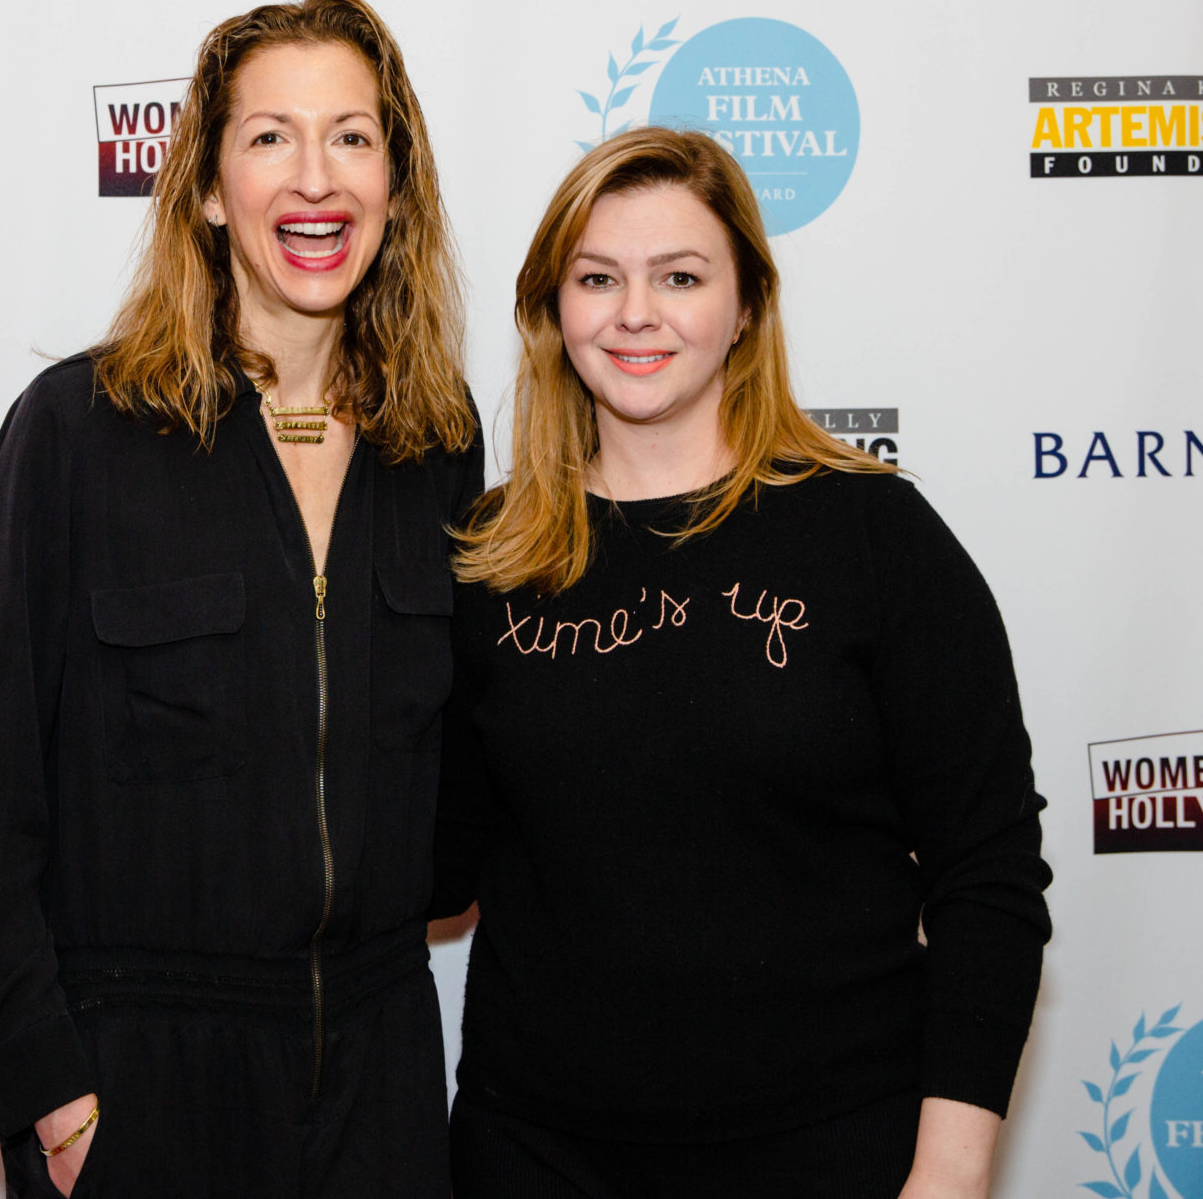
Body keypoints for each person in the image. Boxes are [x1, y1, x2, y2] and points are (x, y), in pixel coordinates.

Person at [0, 0, 481, 1199]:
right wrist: (54, 1105)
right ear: (208, 187)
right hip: (145, 1083)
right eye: (270, 136)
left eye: (351, 136)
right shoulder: (75, 433)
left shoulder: (435, 444)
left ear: (395, 185)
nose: (315, 178)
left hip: (381, 1079)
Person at [434, 127, 1051, 1199]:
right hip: (536, 1154)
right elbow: (433, 865)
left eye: (680, 277)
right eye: (597, 278)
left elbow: (987, 875)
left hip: (833, 1149)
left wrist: (949, 1174)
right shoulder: (488, 558)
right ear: (551, 312)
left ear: (748, 307)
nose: (635, 313)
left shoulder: (873, 536)